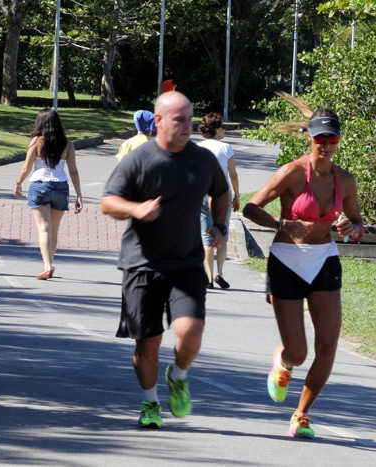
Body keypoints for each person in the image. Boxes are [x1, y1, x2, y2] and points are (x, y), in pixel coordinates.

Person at [100, 91, 230, 429]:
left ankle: (179, 375)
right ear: (158, 121)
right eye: (179, 120)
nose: (187, 126)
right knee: (148, 342)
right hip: (142, 263)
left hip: (186, 262)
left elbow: (222, 191)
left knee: (191, 330)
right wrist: (136, 209)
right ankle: (150, 402)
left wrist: (219, 225)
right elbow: (108, 201)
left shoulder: (202, 159)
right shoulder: (140, 159)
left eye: (190, 119)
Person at [242, 109, 363, 439]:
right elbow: (250, 207)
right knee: (299, 352)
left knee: (328, 345)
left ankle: (302, 414)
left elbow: (357, 224)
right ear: (310, 137)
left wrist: (351, 227)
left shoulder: (345, 180)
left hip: (324, 258)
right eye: (320, 138)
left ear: (338, 140)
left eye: (332, 138)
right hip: (287, 261)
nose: (325, 144)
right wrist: (281, 223)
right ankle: (283, 360)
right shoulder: (292, 173)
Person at [14, 108, 83, 279]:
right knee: (54, 229)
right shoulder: (67, 143)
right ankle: (49, 263)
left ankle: (47, 265)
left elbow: (26, 167)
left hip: (39, 185)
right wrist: (79, 195)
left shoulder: (36, 141)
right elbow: (73, 171)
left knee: (43, 228)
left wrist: (18, 183)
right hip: (60, 186)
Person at [197, 113, 240, 289]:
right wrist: (237, 195)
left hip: (202, 193)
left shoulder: (197, 148)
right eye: (223, 127)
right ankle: (219, 274)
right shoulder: (226, 148)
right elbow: (233, 174)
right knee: (221, 234)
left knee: (207, 236)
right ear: (216, 130)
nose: (224, 131)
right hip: (222, 194)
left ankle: (207, 277)